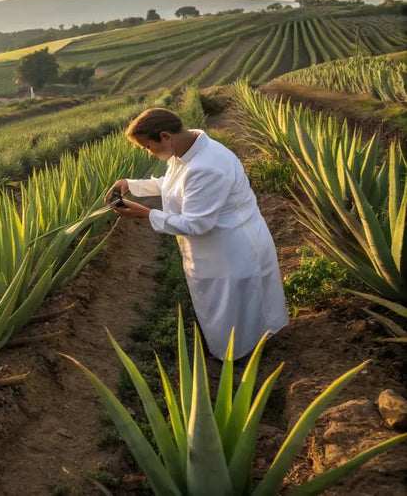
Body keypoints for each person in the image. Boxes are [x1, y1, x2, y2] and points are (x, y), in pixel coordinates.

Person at [108, 108, 288, 360]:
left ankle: (245, 360)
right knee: (224, 311)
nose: (149, 153)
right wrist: (130, 184)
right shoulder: (185, 152)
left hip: (232, 251)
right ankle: (236, 353)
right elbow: (172, 185)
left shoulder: (206, 166)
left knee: (238, 313)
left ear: (164, 136)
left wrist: (145, 214)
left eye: (148, 147)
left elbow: (196, 225)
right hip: (215, 250)